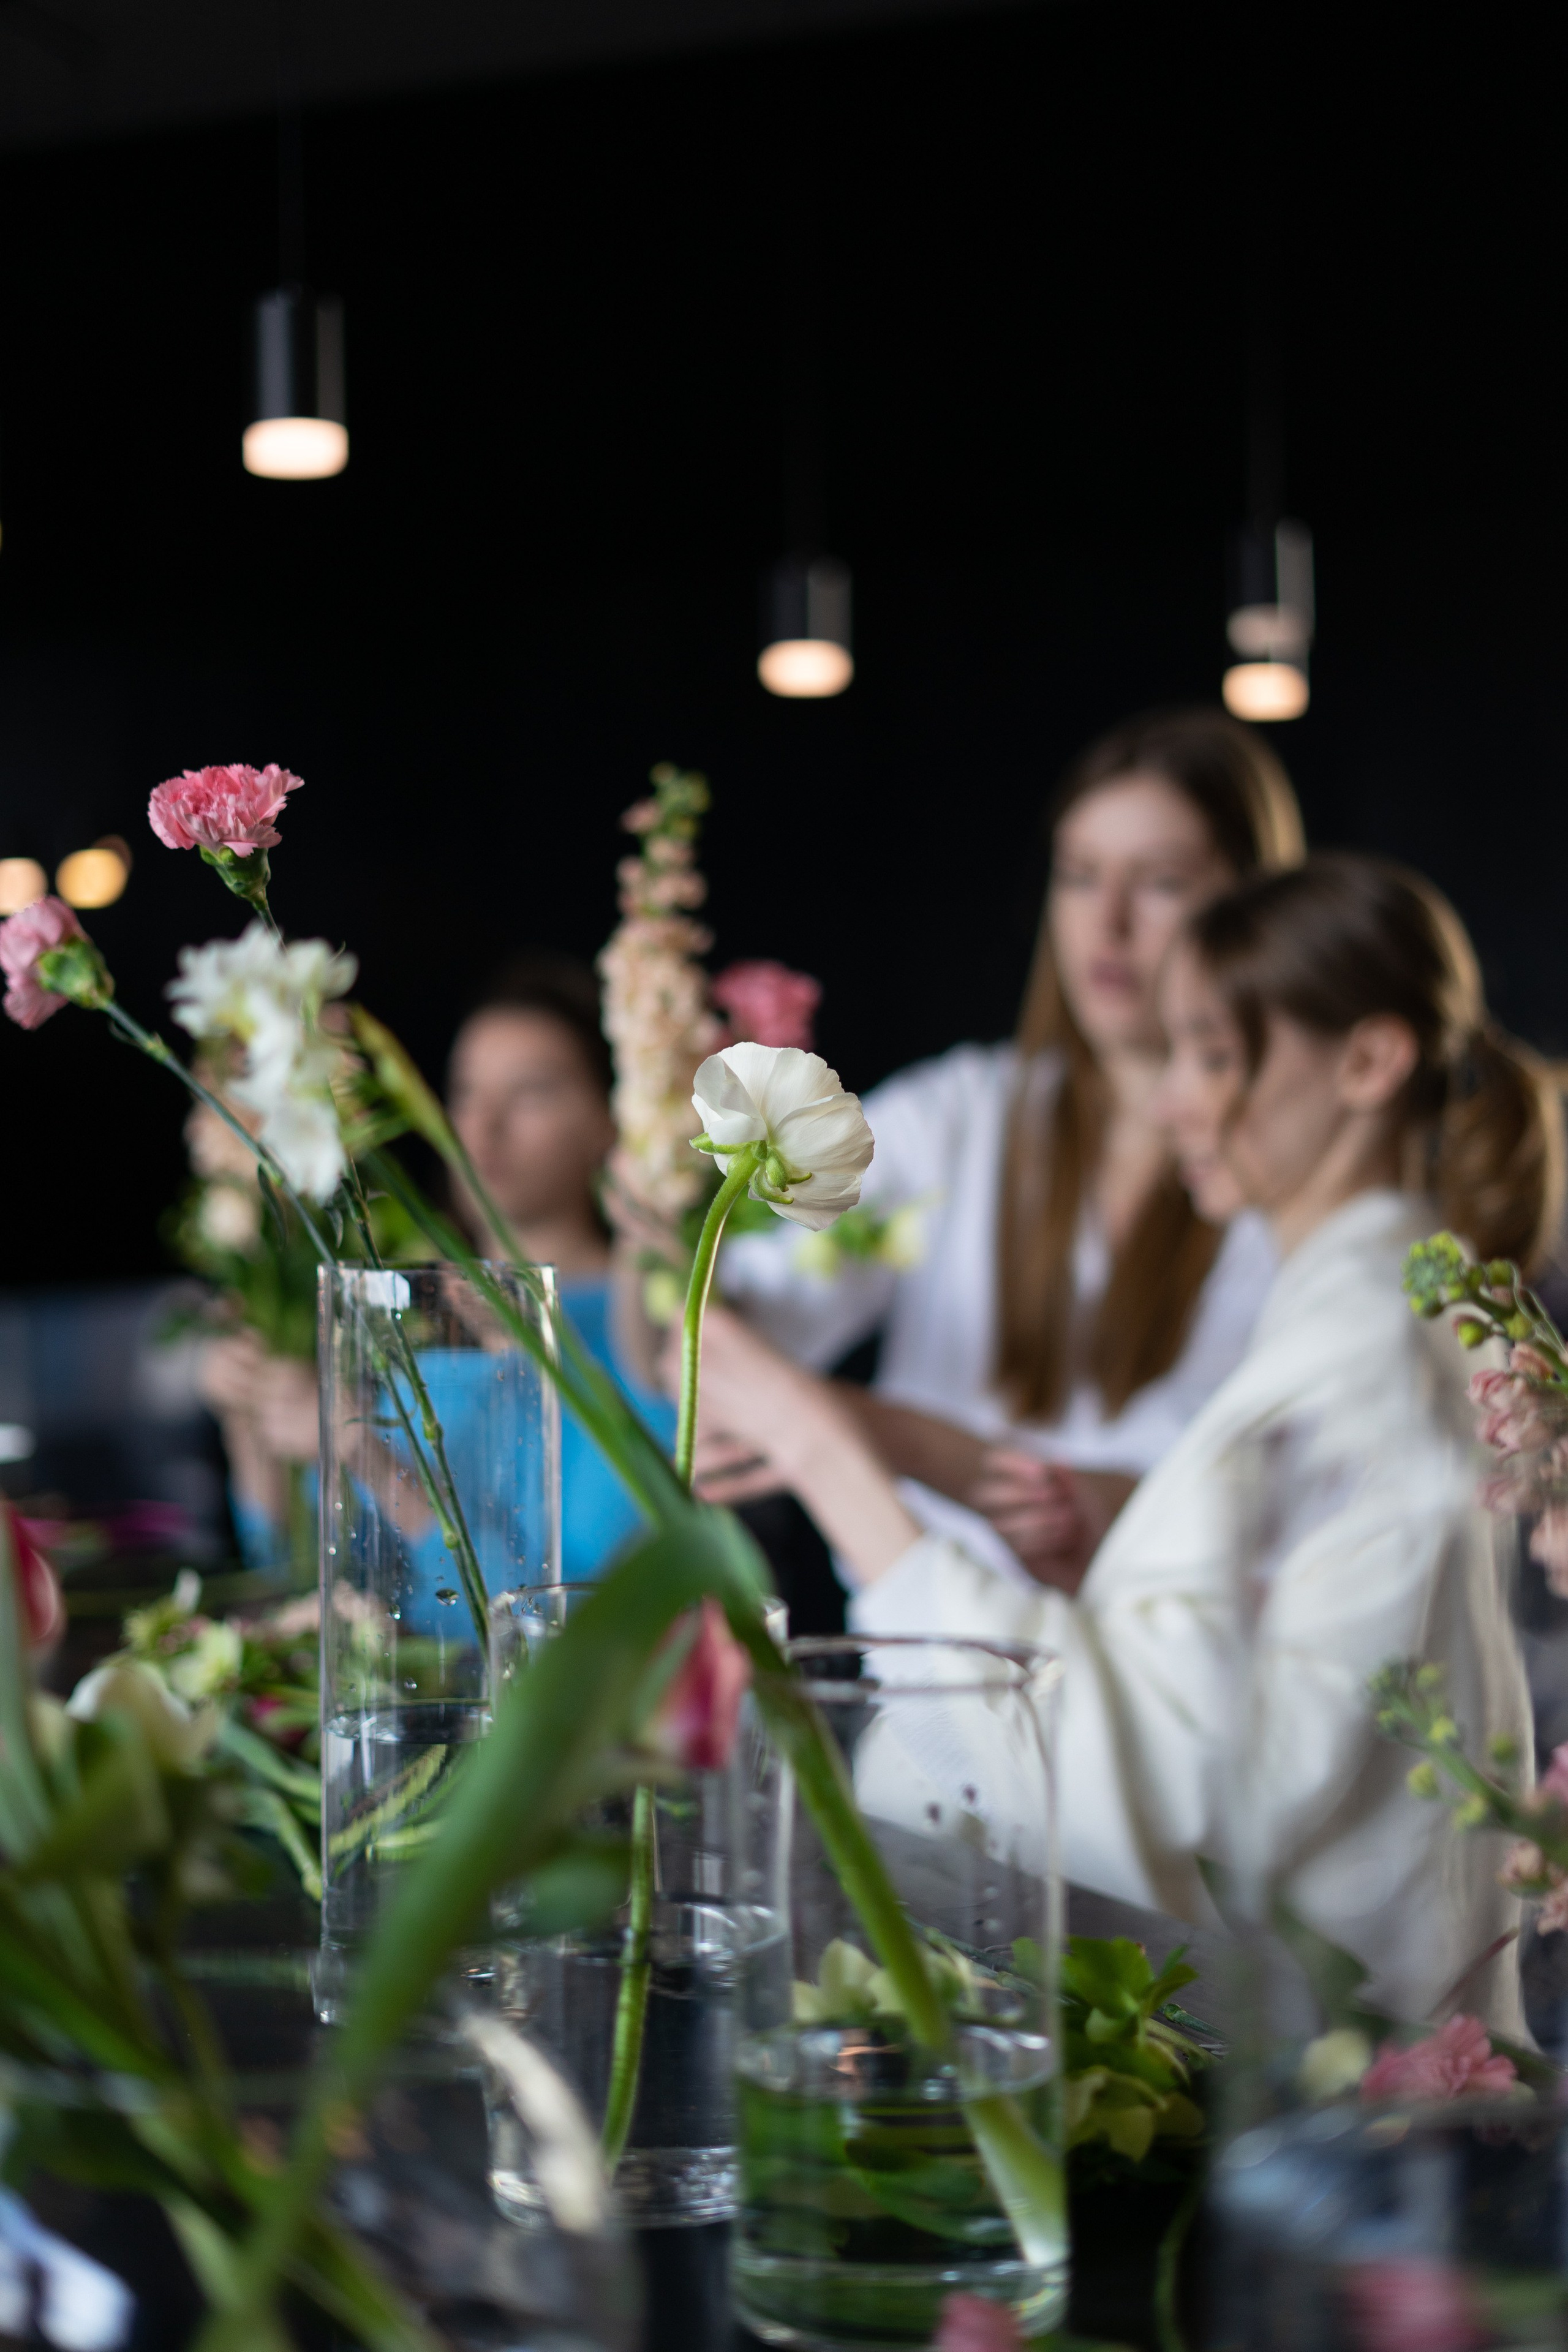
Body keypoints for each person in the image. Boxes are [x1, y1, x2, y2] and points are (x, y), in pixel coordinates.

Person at [686, 855, 1561, 2024]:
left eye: (1212, 1054)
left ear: (1366, 1061)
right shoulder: (1347, 1325)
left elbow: (1198, 1781)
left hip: (1319, 2118)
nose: (1169, 1102)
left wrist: (837, 1467)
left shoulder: (1362, 1360)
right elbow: (1269, 1688)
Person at [714, 706, 1305, 1590]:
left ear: (1250, 911)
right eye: (1079, 875)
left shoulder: (1288, 1180)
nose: (1107, 923)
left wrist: (852, 1429)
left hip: (1164, 1696)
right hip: (925, 1685)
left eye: (1161, 883)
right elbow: (740, 1321)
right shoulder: (961, 1112)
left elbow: (1211, 1514)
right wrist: (667, 1238)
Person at [202, 954, 674, 1585]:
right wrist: (252, 1427)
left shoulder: (648, 1331)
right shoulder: (398, 1310)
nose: (484, 1125)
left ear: (608, 1118)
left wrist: (370, 1458)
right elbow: (297, 1576)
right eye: (464, 1093)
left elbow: (568, 1618)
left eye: (532, 1092)